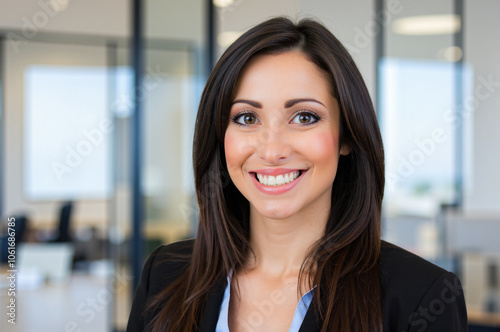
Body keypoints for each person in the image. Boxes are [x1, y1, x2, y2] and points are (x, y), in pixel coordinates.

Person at [126, 17, 467, 332]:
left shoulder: (420, 297)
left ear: (347, 134)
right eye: (246, 118)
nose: (272, 151)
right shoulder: (166, 274)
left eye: (304, 117)